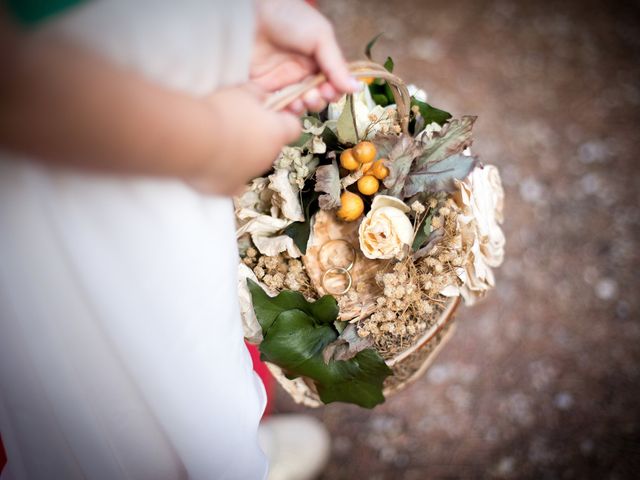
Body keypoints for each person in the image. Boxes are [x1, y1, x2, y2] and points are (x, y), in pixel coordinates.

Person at [0, 1, 358, 478]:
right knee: (130, 428)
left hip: (162, 105)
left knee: (204, 381)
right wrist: (214, 144)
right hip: (79, 158)